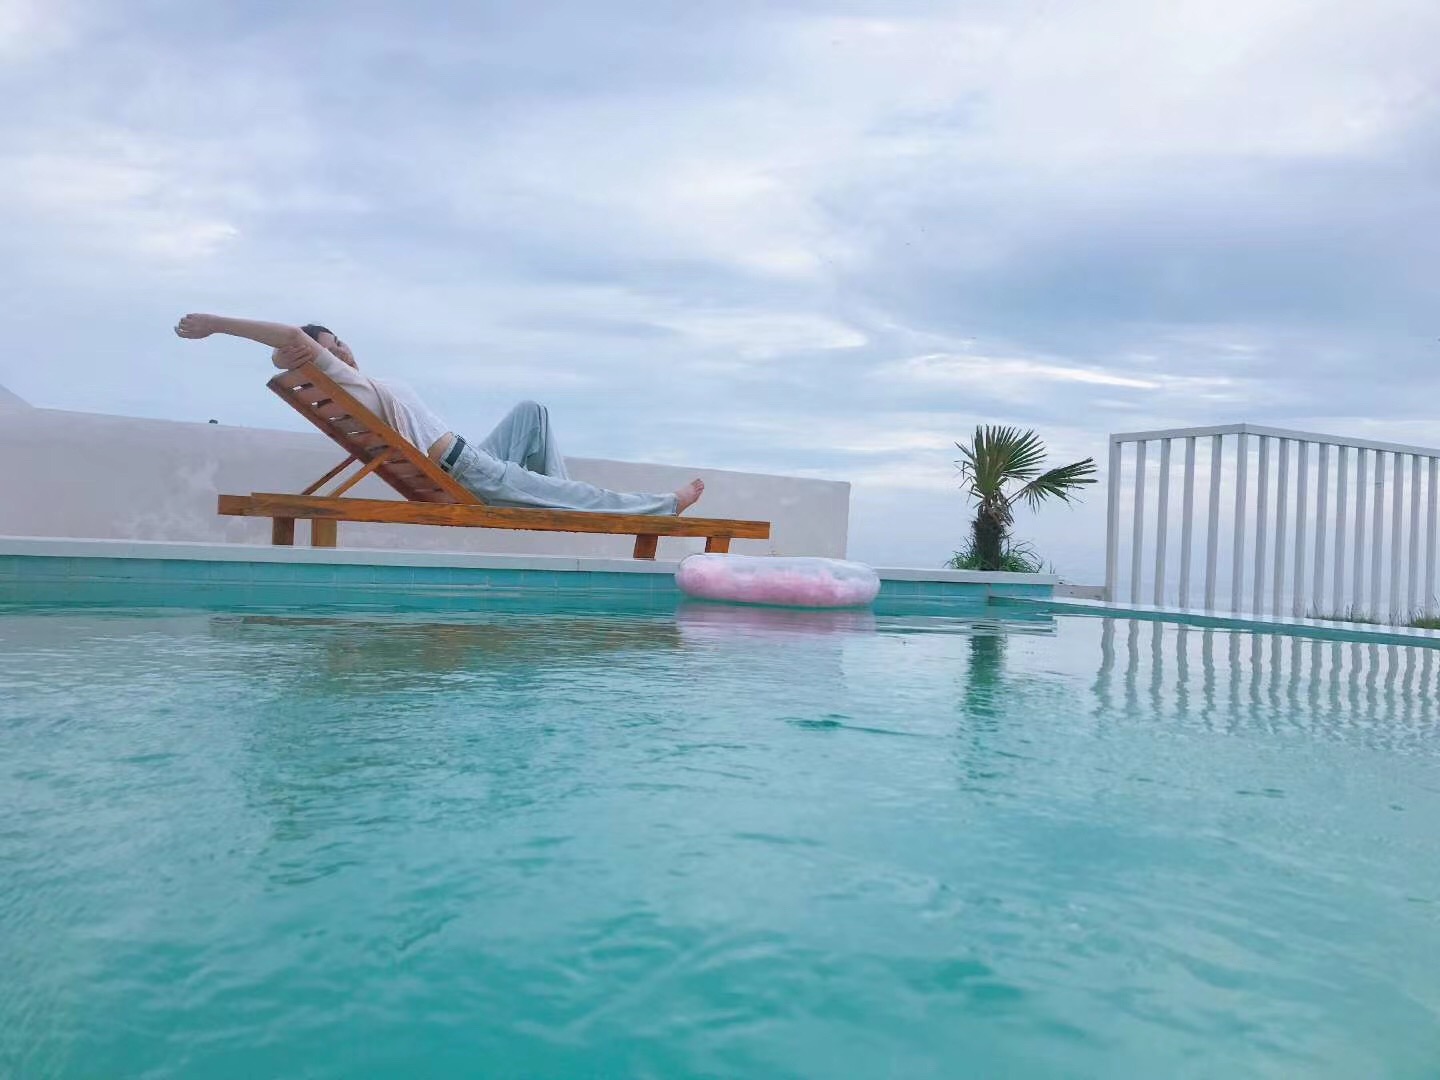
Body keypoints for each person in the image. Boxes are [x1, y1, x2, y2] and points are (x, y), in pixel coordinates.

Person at [173, 313, 705, 515]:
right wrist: (216, 325)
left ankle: (556, 498)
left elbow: (290, 348)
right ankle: (660, 506)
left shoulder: (364, 385)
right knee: (579, 494)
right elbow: (288, 339)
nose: (344, 351)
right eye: (332, 348)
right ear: (315, 357)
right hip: (467, 469)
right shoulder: (343, 380)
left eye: (342, 342)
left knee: (533, 412)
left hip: (469, 457)